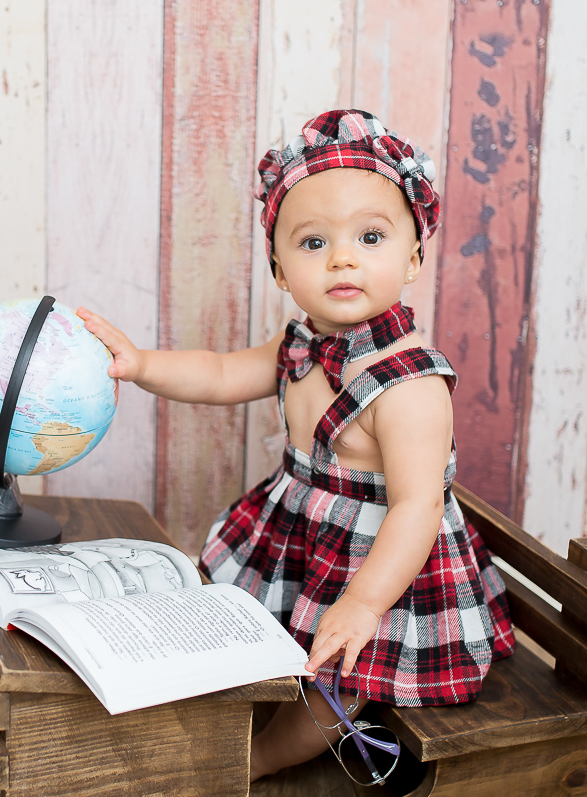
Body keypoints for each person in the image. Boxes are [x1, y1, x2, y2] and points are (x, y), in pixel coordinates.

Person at [78, 109, 515, 781]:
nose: (343, 257)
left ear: (415, 254)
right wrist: (141, 365)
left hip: (385, 562)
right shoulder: (300, 347)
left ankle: (253, 761)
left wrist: (365, 601)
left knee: (335, 671)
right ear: (280, 269)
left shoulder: (409, 385)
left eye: (371, 236)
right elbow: (220, 373)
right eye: (313, 243)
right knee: (245, 627)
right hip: (302, 534)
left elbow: (418, 506)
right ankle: (230, 706)